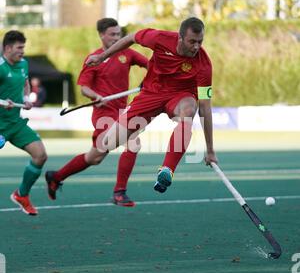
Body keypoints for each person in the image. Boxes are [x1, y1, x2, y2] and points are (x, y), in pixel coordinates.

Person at [86, 17, 218, 192]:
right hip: (151, 94)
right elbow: (131, 38)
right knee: (105, 146)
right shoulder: (159, 38)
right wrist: (102, 56)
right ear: (180, 38)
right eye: (192, 41)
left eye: (200, 42)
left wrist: (210, 150)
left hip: (180, 96)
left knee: (189, 110)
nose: (196, 47)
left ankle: (167, 170)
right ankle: (59, 176)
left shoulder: (204, 65)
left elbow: (205, 107)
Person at [45, 18, 148, 207]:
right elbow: (84, 87)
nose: (117, 38)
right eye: (112, 35)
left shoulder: (128, 53)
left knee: (94, 158)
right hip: (103, 114)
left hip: (121, 113)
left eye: (119, 34)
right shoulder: (94, 58)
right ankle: (119, 192)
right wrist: (96, 96)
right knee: (133, 141)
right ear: (101, 35)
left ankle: (56, 177)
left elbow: (150, 66)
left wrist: (149, 80)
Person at [0, 30, 48, 215]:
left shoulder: (23, 64)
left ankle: (22, 195)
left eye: (23, 47)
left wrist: (26, 97)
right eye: (19, 48)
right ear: (8, 48)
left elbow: (26, 83)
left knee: (40, 155)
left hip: (16, 124)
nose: (23, 51)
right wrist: (3, 102)